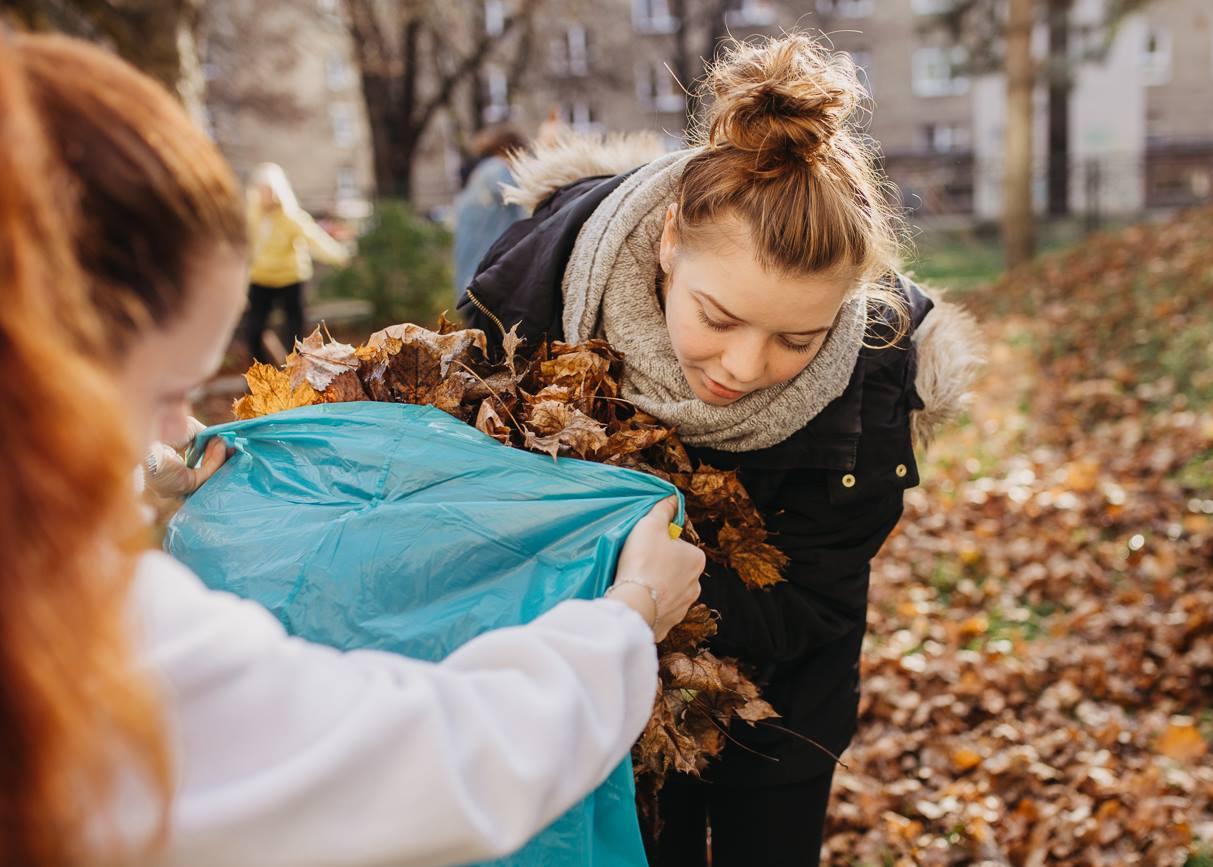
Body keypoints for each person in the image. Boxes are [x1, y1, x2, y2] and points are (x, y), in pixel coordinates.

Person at [0, 31, 705, 867]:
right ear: (40, 367)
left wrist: (120, 507)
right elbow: (423, 765)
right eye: (162, 391)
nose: (182, 429)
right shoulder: (96, 639)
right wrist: (628, 617)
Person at [458, 33, 982, 867]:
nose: (744, 367)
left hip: (784, 715)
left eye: (796, 339)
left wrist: (653, 586)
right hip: (595, 706)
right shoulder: (534, 292)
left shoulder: (873, 370)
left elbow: (817, 600)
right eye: (719, 317)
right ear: (669, 241)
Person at [245, 162, 349, 362]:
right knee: (254, 330)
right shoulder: (252, 218)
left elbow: (314, 239)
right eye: (262, 190)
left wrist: (339, 256)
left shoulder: (291, 217)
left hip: (290, 278)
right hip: (261, 278)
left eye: (269, 190)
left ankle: (299, 372)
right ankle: (263, 375)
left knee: (294, 332)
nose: (266, 195)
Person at [452, 126, 527, 295]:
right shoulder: (497, 170)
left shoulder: (483, 170)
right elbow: (526, 192)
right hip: (486, 263)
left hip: (474, 266)